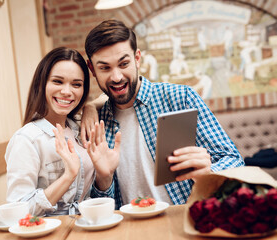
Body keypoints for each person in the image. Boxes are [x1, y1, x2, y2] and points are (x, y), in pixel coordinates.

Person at [81, 20, 244, 209]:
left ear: (137, 58)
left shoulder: (180, 98)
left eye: (124, 63)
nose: (116, 77)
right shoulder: (97, 122)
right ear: (92, 69)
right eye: (105, 68)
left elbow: (234, 161)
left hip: (184, 221)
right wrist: (104, 179)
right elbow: (103, 203)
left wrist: (209, 172)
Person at [5, 47, 120, 216]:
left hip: (86, 227)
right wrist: (68, 176)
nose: (67, 91)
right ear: (41, 83)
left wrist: (105, 176)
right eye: (58, 81)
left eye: (76, 84)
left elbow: (105, 98)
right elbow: (19, 212)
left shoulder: (79, 129)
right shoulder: (27, 139)